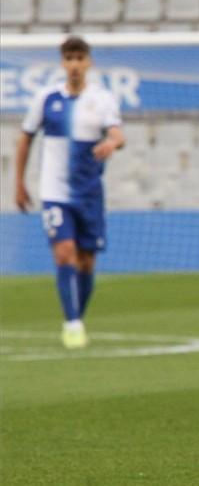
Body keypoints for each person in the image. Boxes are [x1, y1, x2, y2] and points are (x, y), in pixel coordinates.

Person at [13, 36, 125, 349]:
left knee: (87, 263)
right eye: (69, 58)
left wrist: (112, 143)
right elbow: (26, 139)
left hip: (89, 194)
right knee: (65, 253)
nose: (74, 65)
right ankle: (72, 324)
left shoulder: (102, 99)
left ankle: (77, 316)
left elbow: (118, 133)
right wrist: (19, 183)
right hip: (54, 192)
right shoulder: (47, 99)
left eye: (79, 58)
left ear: (88, 62)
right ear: (62, 63)